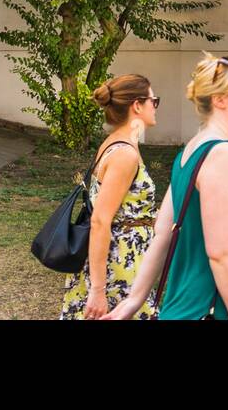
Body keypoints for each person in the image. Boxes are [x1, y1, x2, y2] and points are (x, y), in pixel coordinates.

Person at [103, 54, 228, 320]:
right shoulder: (221, 154)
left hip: (183, 310)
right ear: (220, 100)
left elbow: (162, 235)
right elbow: (222, 255)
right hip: (214, 313)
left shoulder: (190, 152)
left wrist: (134, 300)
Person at [58, 74, 161, 320]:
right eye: (153, 101)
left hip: (125, 259)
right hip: (118, 265)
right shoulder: (124, 154)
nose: (155, 107)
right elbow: (101, 220)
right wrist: (98, 290)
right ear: (137, 105)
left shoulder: (117, 143)